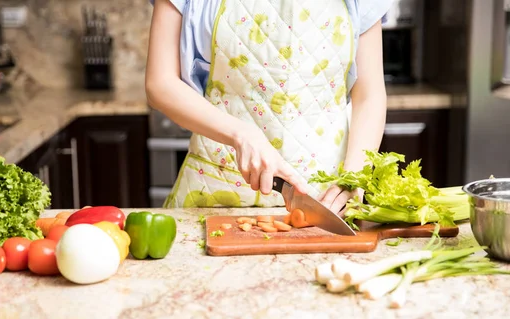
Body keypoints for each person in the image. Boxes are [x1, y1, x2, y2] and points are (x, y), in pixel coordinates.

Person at [146, 0, 392, 214]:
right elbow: (160, 83)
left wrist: (354, 178)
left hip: (324, 204)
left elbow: (369, 95)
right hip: (213, 193)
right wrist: (241, 134)